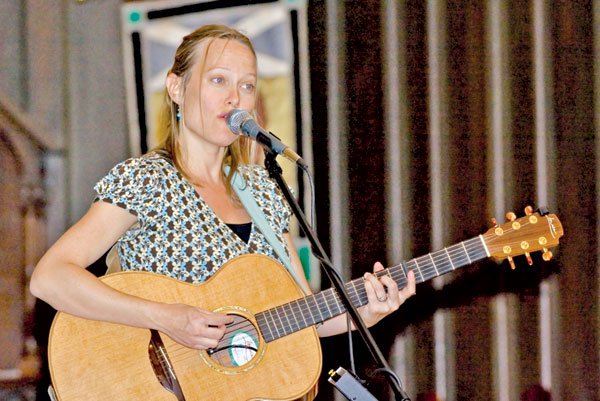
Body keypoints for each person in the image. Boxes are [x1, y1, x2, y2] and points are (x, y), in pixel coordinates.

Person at [30, 23, 416, 388]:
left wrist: (366, 312)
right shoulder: (146, 179)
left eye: (247, 85)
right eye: (218, 80)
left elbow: (300, 314)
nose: (235, 97)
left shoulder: (264, 190)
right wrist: (165, 317)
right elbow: (50, 277)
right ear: (176, 88)